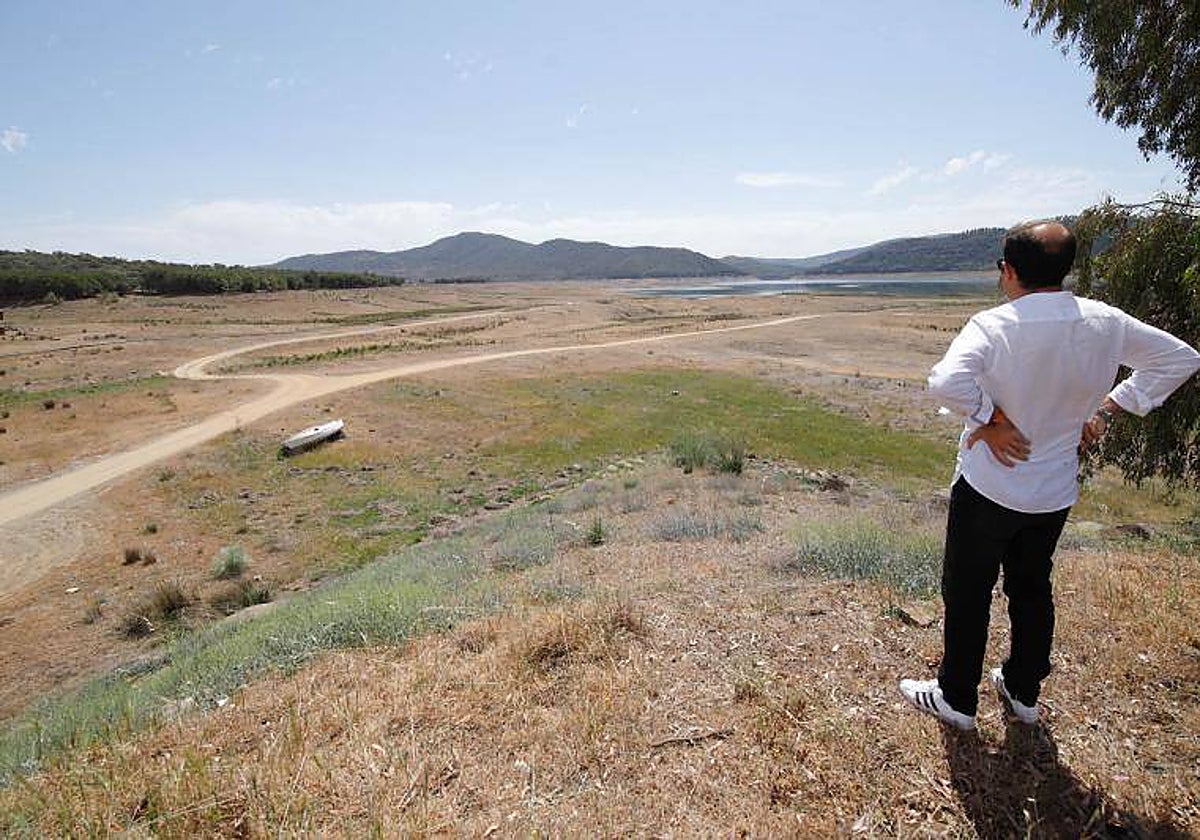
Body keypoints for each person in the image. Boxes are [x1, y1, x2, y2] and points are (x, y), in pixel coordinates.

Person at [899, 220, 1200, 730]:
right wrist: (1110, 408)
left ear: (1008, 270)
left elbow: (945, 382)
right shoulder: (1105, 322)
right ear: (1067, 270)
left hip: (989, 485)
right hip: (1055, 489)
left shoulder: (993, 325)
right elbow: (1181, 358)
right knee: (1032, 586)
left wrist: (990, 419)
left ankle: (956, 699)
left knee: (968, 590)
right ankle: (1023, 690)